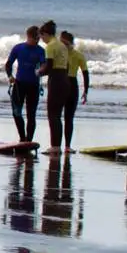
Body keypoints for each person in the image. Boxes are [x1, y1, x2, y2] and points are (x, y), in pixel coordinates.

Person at [3, 25, 45, 144]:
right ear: (29, 36)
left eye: (39, 38)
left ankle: (29, 141)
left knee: (31, 115)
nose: (38, 40)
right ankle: (22, 138)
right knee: (16, 112)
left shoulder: (40, 50)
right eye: (36, 37)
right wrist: (10, 76)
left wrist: (41, 70)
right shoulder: (18, 48)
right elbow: (8, 64)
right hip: (19, 84)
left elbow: (44, 64)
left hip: (33, 86)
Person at [38, 21, 75, 154]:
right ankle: (57, 146)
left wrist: (39, 72)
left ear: (46, 34)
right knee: (57, 115)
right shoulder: (62, 45)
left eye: (41, 36)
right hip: (65, 79)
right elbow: (68, 65)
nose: (41, 39)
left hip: (56, 80)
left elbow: (49, 67)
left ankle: (55, 146)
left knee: (53, 115)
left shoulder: (50, 46)